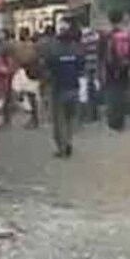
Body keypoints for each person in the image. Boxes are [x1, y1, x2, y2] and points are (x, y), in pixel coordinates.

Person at [42, 19, 85, 158]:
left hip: (59, 89)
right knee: (71, 118)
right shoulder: (77, 49)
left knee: (59, 120)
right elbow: (81, 67)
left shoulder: (53, 50)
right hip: (74, 87)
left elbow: (47, 68)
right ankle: (69, 142)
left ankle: (62, 147)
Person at [102, 10, 130, 131]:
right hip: (125, 68)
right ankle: (121, 122)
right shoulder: (127, 35)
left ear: (109, 20)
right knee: (122, 95)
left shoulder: (107, 36)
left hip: (111, 70)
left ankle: (113, 122)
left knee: (112, 95)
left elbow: (103, 56)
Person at [9, 27, 41, 129]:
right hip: (22, 71)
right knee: (20, 93)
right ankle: (32, 118)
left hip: (30, 72)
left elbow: (35, 58)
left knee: (31, 95)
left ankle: (34, 119)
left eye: (22, 33)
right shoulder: (18, 45)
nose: (21, 34)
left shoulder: (32, 46)